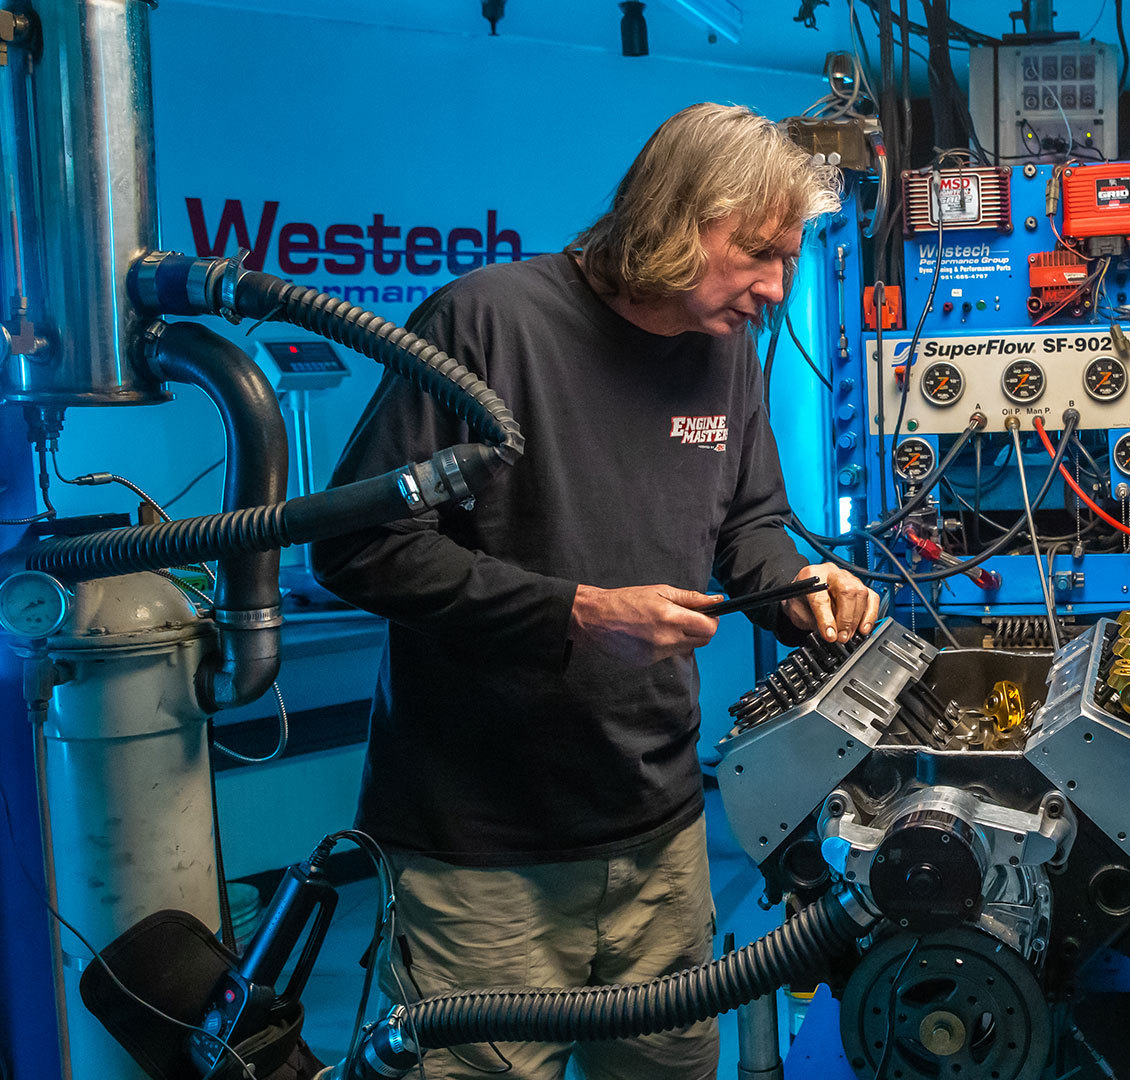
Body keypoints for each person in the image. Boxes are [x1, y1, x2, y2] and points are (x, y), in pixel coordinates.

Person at [311, 103, 879, 1080]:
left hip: (659, 830)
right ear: (678, 215)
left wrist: (797, 586)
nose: (777, 288)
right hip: (483, 853)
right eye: (758, 253)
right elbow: (358, 544)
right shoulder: (485, 322)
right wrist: (573, 613)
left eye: (790, 259)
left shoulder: (726, 351)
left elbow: (745, 524)